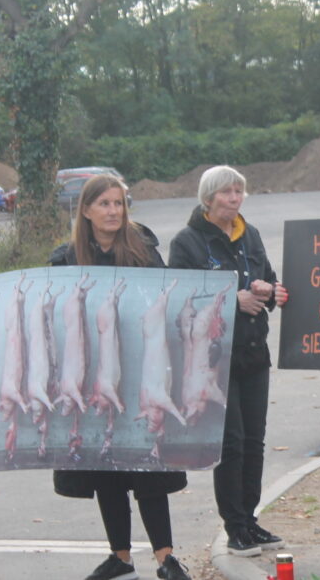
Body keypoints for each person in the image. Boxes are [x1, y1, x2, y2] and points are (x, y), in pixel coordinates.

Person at [49, 175, 192, 580]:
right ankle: (121, 557)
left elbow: (168, 301)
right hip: (93, 379)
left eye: (119, 203)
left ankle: (166, 558)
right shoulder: (65, 261)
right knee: (106, 466)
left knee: (148, 466)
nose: (113, 211)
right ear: (87, 210)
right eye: (105, 204)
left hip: (141, 375)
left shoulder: (144, 254)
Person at [168, 165, 288, 557]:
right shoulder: (187, 242)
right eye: (226, 193)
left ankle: (250, 520)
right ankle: (234, 525)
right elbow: (179, 302)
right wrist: (231, 300)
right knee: (231, 444)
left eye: (239, 191)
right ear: (208, 198)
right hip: (214, 358)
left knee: (255, 441)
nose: (234, 199)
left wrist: (269, 290)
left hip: (254, 353)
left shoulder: (249, 234)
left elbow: (270, 281)